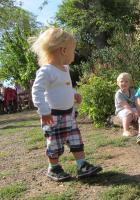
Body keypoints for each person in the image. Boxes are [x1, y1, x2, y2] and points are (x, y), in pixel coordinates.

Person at [31, 27, 102, 181]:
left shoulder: (65, 69)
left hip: (69, 113)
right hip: (53, 116)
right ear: (63, 50)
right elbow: (36, 91)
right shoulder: (46, 71)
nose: (74, 54)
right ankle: (54, 168)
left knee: (76, 139)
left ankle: (82, 165)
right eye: (73, 50)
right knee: (54, 143)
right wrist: (44, 111)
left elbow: (65, 86)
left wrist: (73, 93)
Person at [115, 72, 140, 137]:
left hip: (132, 109)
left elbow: (137, 102)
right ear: (118, 83)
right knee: (128, 113)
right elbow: (125, 105)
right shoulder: (119, 94)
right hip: (122, 110)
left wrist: (139, 111)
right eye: (121, 81)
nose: (124, 83)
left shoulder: (133, 91)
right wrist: (133, 112)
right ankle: (125, 130)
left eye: (126, 81)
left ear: (130, 83)